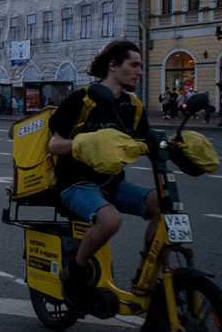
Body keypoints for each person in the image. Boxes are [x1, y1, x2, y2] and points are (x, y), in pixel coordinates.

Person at [47, 40, 156, 308]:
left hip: (114, 184)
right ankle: (75, 273)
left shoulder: (134, 107)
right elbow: (54, 145)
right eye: (134, 65)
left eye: (140, 66)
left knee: (163, 203)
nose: (139, 71)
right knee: (110, 221)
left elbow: (146, 142)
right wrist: (86, 143)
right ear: (114, 66)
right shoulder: (82, 99)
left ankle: (145, 278)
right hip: (76, 185)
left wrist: (177, 145)